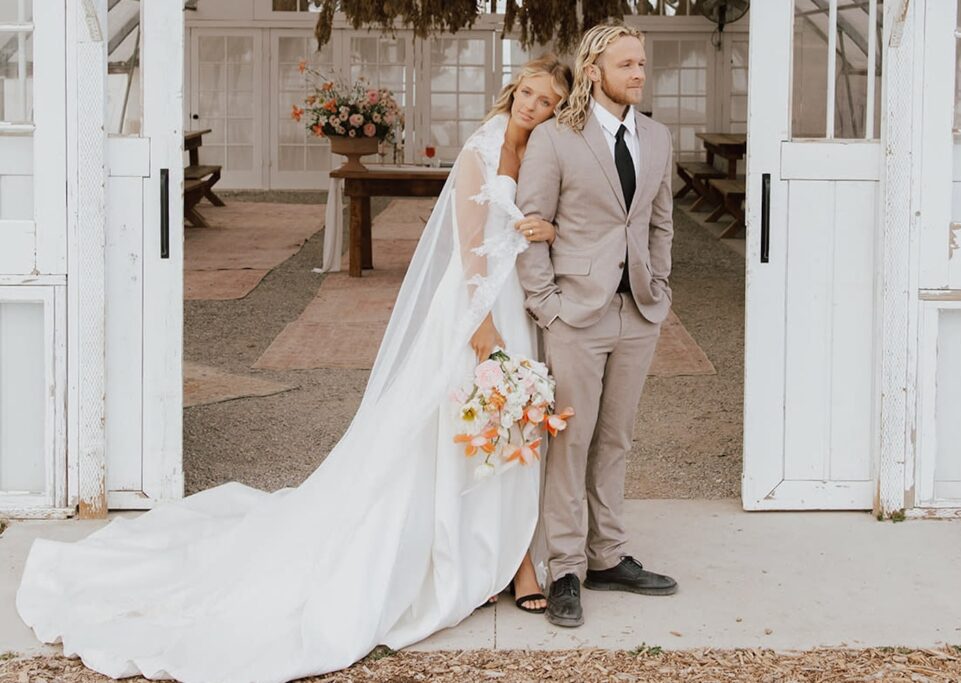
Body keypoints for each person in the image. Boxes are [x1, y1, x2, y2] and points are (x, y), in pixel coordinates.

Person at [15, 55, 572, 683]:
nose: (531, 105)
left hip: (515, 300)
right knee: (453, 425)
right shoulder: (482, 146)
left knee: (511, 425)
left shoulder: (546, 150)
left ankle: (510, 555)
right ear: (512, 90)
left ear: (558, 109)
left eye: (546, 100)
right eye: (527, 92)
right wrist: (481, 326)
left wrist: (546, 230)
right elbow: (471, 245)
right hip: (477, 304)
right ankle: (473, 552)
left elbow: (536, 222)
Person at [516, 23, 678, 629]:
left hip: (637, 310)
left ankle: (606, 554)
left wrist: (657, 289)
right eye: (627, 64)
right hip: (575, 314)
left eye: (642, 63)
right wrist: (546, 304)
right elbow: (532, 222)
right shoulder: (556, 138)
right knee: (572, 440)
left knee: (617, 437)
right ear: (594, 71)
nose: (639, 73)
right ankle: (565, 567)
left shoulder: (657, 137)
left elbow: (660, 223)